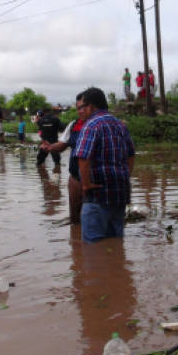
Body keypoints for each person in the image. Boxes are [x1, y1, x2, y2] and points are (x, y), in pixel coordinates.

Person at [74, 87, 135, 243]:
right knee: (115, 243)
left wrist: (86, 185)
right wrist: (125, 176)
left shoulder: (91, 125)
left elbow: (83, 157)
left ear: (91, 106)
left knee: (93, 248)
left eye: (83, 107)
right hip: (119, 194)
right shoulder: (120, 125)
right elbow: (131, 155)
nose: (81, 111)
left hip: (97, 195)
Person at [39, 91, 89, 224]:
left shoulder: (102, 125)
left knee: (92, 221)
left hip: (97, 181)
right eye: (78, 108)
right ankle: (77, 241)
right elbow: (62, 144)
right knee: (76, 220)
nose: (80, 111)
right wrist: (51, 147)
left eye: (83, 107)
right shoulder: (73, 124)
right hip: (76, 179)